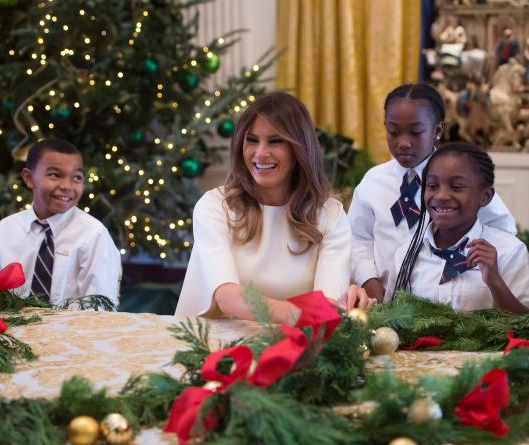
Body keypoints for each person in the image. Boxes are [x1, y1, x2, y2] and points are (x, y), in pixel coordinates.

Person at [175, 92, 373, 324]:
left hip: (297, 346)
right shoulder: (215, 206)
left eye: (275, 141)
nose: (260, 153)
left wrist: (333, 308)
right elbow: (226, 296)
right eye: (252, 140)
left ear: (299, 149)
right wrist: (301, 314)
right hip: (211, 342)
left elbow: (328, 304)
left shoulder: (330, 215)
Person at [347, 83, 516, 303]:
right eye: (393, 132)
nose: (403, 143)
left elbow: (502, 232)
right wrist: (368, 280)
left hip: (446, 307)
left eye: (416, 132)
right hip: (384, 305)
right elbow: (359, 239)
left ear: (437, 130)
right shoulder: (373, 182)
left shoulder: (462, 178)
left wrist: (464, 265)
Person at [387, 142, 528, 314]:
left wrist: (494, 281)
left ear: (485, 196)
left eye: (456, 187)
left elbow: (524, 328)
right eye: (432, 186)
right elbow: (390, 318)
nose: (441, 196)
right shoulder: (407, 254)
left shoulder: (510, 252)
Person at [0, 138, 122, 308]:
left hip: (74, 333)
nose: (67, 186)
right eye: (55, 175)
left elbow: (101, 310)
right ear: (29, 178)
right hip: (12, 331)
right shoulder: (4, 231)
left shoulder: (94, 235)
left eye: (76, 177)